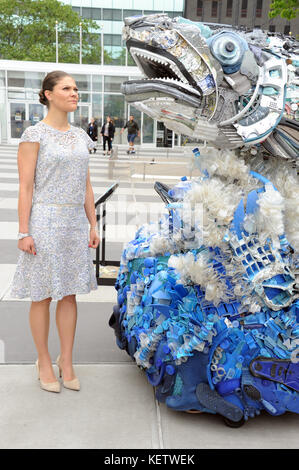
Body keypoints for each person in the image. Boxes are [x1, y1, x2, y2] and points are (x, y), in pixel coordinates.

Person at [9, 70, 100, 393]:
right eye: (67, 88)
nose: (74, 93)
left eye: (76, 88)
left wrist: (93, 223)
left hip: (74, 224)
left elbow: (86, 185)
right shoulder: (35, 135)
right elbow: (26, 187)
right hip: (44, 221)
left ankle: (68, 359)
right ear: (48, 94)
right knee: (43, 294)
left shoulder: (80, 137)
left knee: (70, 293)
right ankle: (44, 360)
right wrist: (23, 232)